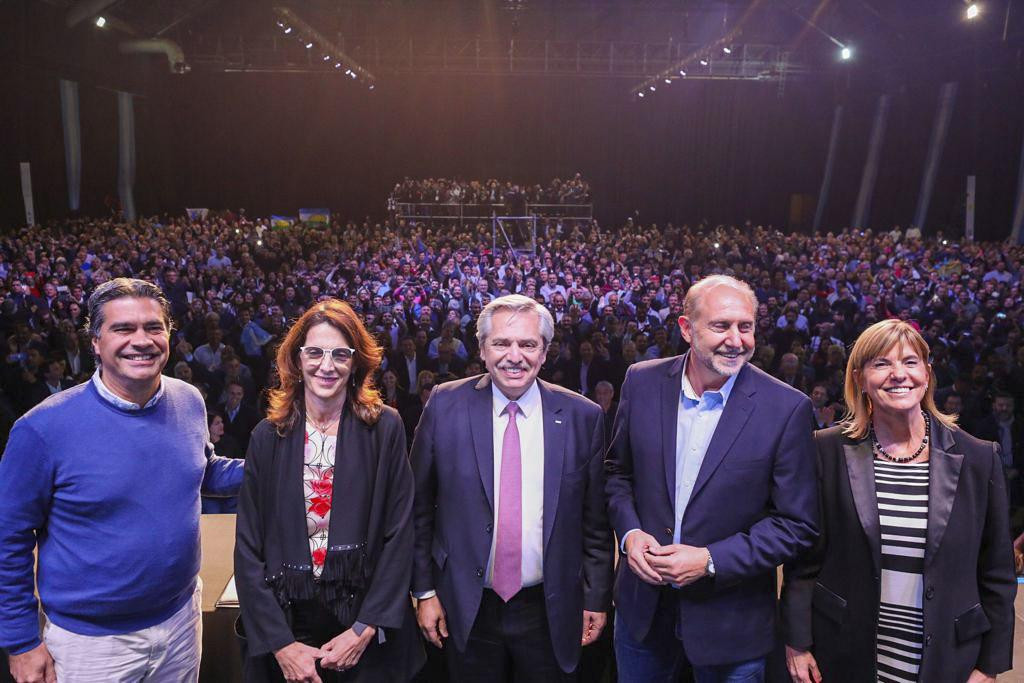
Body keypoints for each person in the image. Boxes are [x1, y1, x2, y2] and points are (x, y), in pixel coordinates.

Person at [0, 277, 243, 682]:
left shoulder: (188, 399)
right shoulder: (42, 430)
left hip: (182, 620)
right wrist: (22, 642)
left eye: (153, 327)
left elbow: (203, 468)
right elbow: (8, 538)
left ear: (169, 335)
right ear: (95, 341)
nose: (141, 340)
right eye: (123, 328)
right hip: (92, 646)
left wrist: (280, 467)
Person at [605, 274, 818, 682]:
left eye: (746, 326)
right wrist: (630, 535)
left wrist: (709, 561)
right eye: (721, 326)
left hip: (731, 624)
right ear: (686, 329)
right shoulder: (642, 381)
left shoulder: (787, 409)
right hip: (642, 613)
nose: (736, 340)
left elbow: (796, 524)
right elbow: (617, 473)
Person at [781, 319, 1016, 683]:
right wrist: (797, 642)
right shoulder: (826, 449)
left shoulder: (978, 458)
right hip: (845, 652)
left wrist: (989, 665)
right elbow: (805, 561)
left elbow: (997, 574)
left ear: (927, 373)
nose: (898, 374)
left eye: (910, 362)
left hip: (947, 658)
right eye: (881, 364)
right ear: (859, 378)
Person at [411, 294, 614, 680]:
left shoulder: (582, 417)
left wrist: (596, 596)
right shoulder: (444, 404)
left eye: (527, 344)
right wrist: (423, 591)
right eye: (501, 343)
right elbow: (418, 508)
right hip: (464, 605)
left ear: (545, 351)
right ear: (483, 350)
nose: (514, 356)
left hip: (550, 607)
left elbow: (595, 524)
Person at [234, 299, 424, 682]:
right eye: (315, 352)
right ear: (296, 358)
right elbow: (248, 547)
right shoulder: (266, 436)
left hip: (365, 626)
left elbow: (399, 535)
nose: (326, 365)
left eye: (340, 354)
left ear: (355, 363)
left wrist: (365, 628)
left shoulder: (385, 428)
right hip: (290, 628)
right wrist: (281, 645)